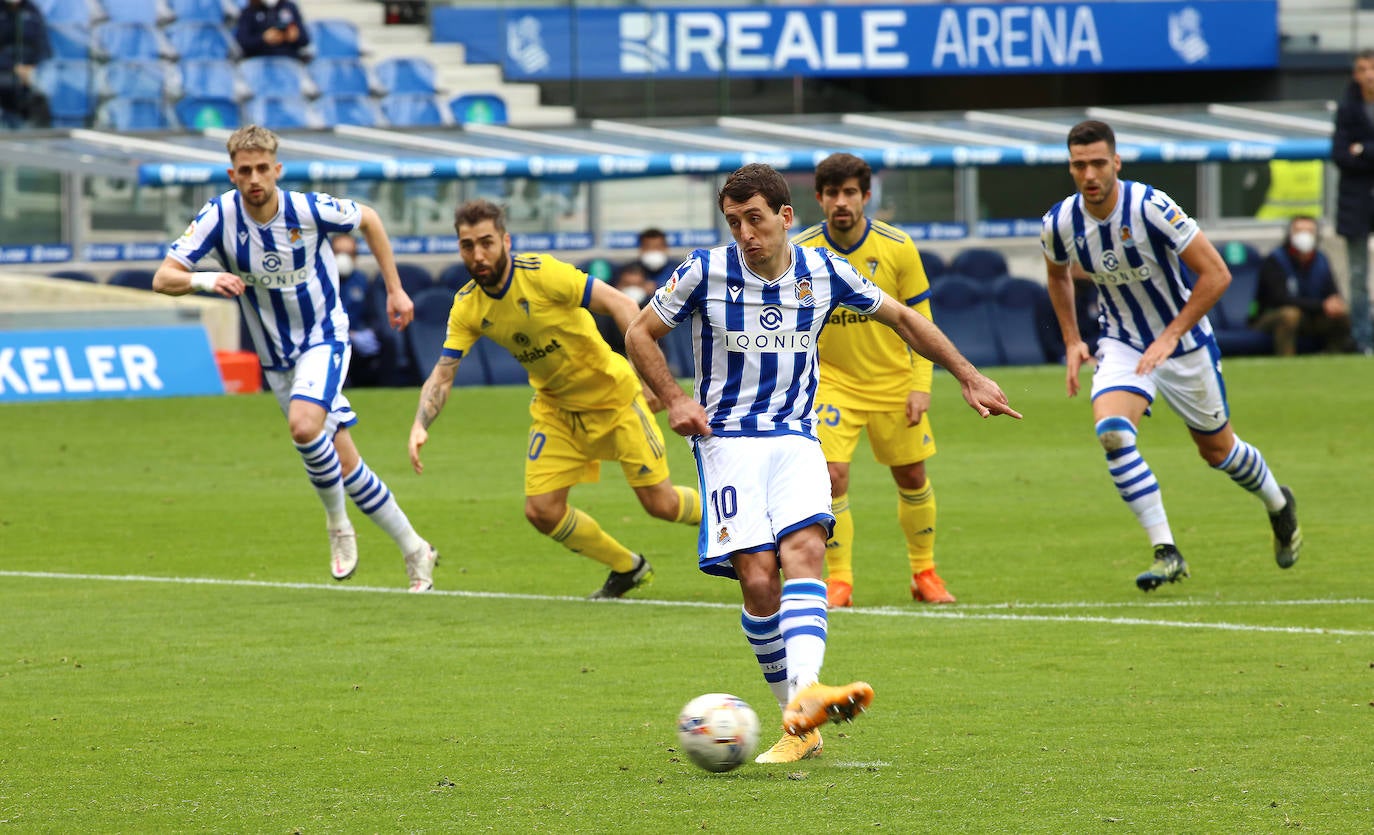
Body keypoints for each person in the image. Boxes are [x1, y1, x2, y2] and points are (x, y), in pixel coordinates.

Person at [624, 164, 1020, 764]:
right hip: (726, 440)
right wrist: (676, 398)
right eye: (734, 223)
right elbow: (638, 333)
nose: (745, 234)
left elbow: (907, 319)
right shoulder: (704, 271)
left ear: (786, 217)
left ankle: (806, 696)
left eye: (755, 219)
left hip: (795, 436)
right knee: (758, 578)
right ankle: (799, 717)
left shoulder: (824, 271)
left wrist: (968, 375)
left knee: (805, 550)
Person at [153, 125, 438, 592]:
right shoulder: (218, 217)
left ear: (277, 169)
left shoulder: (306, 209)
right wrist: (207, 281)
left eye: (263, 168)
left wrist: (395, 289)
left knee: (304, 428)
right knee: (347, 465)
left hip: (324, 337)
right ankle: (415, 549)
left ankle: (337, 525)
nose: (254, 178)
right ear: (232, 174)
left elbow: (369, 219)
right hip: (276, 359)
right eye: (245, 171)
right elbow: (164, 277)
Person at [1042, 119, 1303, 593]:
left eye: (1099, 162)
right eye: (1079, 165)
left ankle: (1278, 504)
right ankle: (1167, 551)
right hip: (1121, 343)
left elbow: (1217, 274)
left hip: (1183, 346)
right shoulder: (1060, 222)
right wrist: (1072, 339)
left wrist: (1170, 335)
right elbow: (1057, 274)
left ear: (1116, 162)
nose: (1090, 174)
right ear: (1070, 168)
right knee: (1113, 434)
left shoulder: (1151, 206)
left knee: (1218, 452)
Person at [407, 199, 703, 600]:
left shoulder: (543, 273)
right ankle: (627, 567)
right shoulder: (467, 306)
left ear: (505, 241)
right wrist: (420, 425)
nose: (477, 254)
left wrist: (651, 379)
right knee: (542, 511)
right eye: (467, 245)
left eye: (486, 242)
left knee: (662, 505)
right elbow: (443, 374)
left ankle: (743, 522)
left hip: (614, 400)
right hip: (557, 411)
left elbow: (621, 303)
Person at [792, 153, 952, 609]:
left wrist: (922, 383)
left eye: (850, 193)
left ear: (866, 197)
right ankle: (838, 580)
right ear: (819, 198)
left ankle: (924, 573)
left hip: (894, 381)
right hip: (831, 382)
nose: (841, 203)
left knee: (911, 473)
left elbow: (920, 317)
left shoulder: (897, 246)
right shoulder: (800, 250)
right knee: (831, 476)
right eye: (832, 194)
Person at [1253, 215, 1352, 355]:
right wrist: (1321, 305)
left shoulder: (1321, 259)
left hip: (1310, 317)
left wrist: (1334, 303)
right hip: (1270, 318)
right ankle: (1286, 363)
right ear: (1290, 234)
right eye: (1299, 231)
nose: (1304, 236)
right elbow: (1280, 299)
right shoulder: (1275, 260)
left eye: (1309, 231)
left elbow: (1331, 291)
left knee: (1341, 313)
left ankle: (1334, 358)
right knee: (1290, 314)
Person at [1332, 49, 1374, 354]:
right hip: (1356, 206)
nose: (1369, 74)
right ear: (1355, 74)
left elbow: (1356, 153)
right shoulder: (1346, 109)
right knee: (1358, 276)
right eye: (1363, 68)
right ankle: (1364, 340)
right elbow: (1341, 156)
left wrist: (1364, 150)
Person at [332, 234, 383, 386]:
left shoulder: (362, 281)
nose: (343, 258)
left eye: (349, 254)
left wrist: (367, 332)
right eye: (339, 252)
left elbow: (373, 316)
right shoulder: (320, 281)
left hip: (357, 345)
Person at [0, 0, 52, 129]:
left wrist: (33, 67)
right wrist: (14, 67)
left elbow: (43, 43)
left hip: (31, 70)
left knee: (47, 83)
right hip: (5, 69)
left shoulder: (32, 10)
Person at [235, 0, 311, 61]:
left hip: (288, 61)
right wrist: (263, 38)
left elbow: (305, 40)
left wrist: (295, 36)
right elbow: (243, 42)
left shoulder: (290, 8)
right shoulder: (249, 12)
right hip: (260, 63)